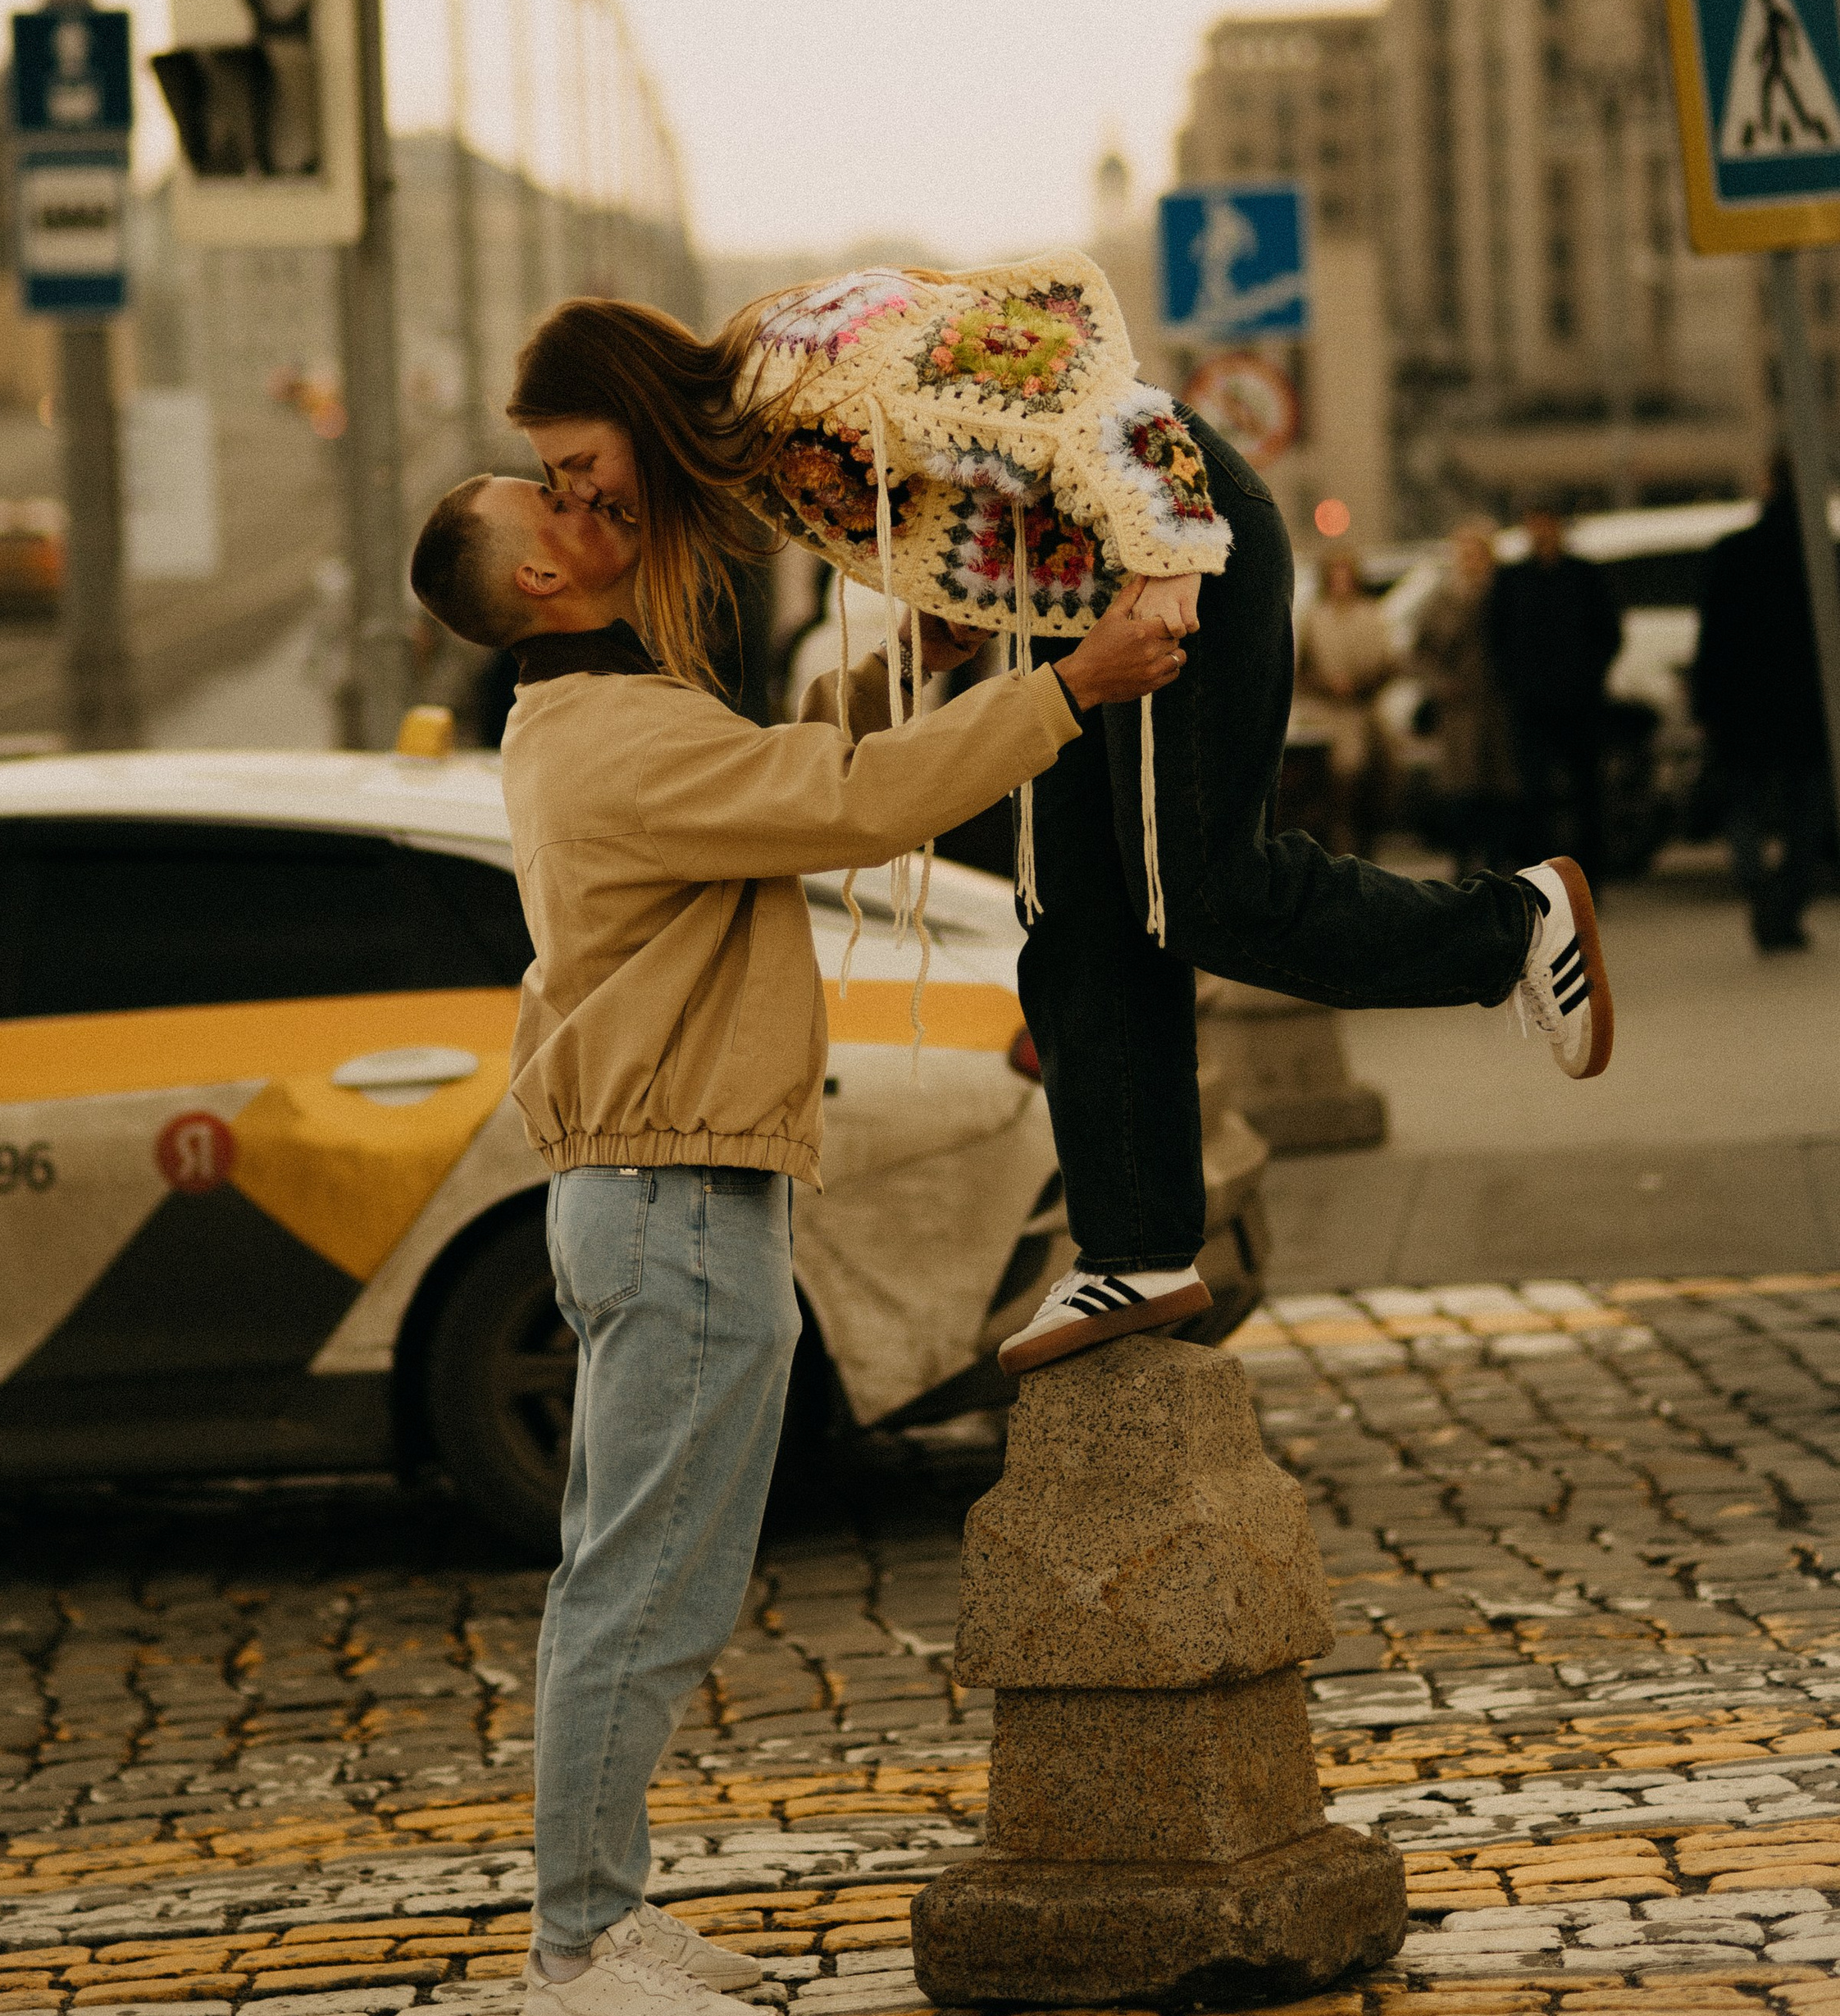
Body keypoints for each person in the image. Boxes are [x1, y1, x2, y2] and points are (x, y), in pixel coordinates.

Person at [408, 456, 1182, 2016]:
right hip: (671, 1197)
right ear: (536, 583)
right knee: (640, 1588)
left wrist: (909, 669)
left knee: (644, 1577)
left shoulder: (602, 714)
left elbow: (778, 774)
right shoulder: (612, 734)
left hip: (671, 1188)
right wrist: (1069, 690)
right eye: (548, 505)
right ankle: (577, 1950)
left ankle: (603, 1907)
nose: (584, 500)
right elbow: (847, 804)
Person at [502, 294, 1616, 1393]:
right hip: (1073, 591)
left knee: (1198, 889)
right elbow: (964, 507)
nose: (581, 493)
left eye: (576, 462)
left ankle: (1518, 926)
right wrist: (942, 622)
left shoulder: (805, 359)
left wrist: (1169, 556)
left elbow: (1081, 384)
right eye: (558, 481)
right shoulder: (747, 451)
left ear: (628, 396)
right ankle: (1135, 1251)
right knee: (1075, 907)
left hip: (1181, 543)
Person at [1694, 458, 1837, 953]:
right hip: (1807, 708)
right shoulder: (1823, 554)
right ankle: (1786, 904)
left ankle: (1759, 891)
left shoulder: (1733, 552)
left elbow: (1712, 638)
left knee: (1745, 807)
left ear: (1767, 483)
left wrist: (1708, 705)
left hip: (1744, 710)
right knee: (1807, 813)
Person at [1487, 507, 1622, 879]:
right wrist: (1516, 682)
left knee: (1587, 790)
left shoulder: (1585, 576)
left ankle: (1590, 874)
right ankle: (1542, 875)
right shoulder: (1514, 580)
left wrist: (1587, 675)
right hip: (1531, 705)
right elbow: (1498, 638)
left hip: (1580, 703)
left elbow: (1608, 633)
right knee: (1534, 794)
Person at [1414, 522, 1522, 876]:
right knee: (1462, 789)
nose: (1472, 562)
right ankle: (1463, 865)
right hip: (1459, 708)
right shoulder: (1444, 599)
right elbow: (1422, 652)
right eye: (1466, 555)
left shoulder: (1504, 594)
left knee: (1499, 788)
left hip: (1498, 706)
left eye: (1478, 554)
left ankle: (1496, 862)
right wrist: (1440, 684)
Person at [1294, 548, 1396, 856]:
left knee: (1377, 771)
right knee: (1337, 778)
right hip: (1326, 713)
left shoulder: (1371, 614)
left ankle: (1369, 842)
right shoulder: (1315, 617)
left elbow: (1387, 665)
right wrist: (1328, 685)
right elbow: (1301, 669)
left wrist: (1359, 685)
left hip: (1363, 708)